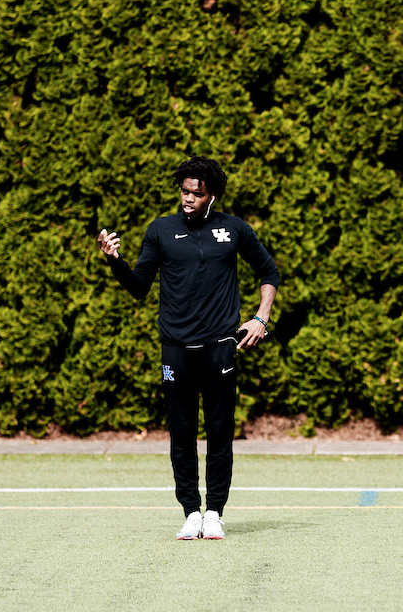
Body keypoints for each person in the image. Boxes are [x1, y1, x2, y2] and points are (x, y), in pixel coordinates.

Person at [97, 156, 279, 541]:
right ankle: (190, 512)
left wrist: (261, 318)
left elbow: (269, 272)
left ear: (211, 196)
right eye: (184, 191)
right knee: (181, 433)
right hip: (176, 349)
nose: (188, 199)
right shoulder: (160, 231)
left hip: (220, 347)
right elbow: (138, 285)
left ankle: (214, 512)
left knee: (219, 432)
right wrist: (115, 262)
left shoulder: (234, 229)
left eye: (196, 193)